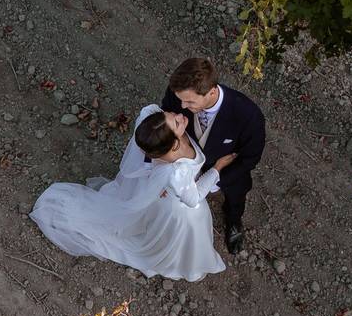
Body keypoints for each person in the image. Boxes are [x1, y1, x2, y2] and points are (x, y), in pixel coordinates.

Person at [29, 105, 230, 282]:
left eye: (171, 116)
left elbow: (148, 112)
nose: (179, 116)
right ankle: (184, 262)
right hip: (180, 210)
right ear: (172, 144)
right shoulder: (177, 172)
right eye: (176, 123)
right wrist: (216, 169)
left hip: (167, 193)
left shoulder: (152, 125)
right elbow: (193, 198)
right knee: (188, 237)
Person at [161, 57, 265, 254]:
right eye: (181, 99)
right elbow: (165, 117)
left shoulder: (247, 115)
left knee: (236, 196)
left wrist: (216, 180)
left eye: (190, 101)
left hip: (227, 171)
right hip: (183, 164)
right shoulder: (178, 95)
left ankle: (233, 221)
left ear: (211, 91)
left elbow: (250, 157)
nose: (182, 106)